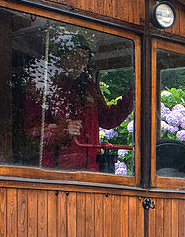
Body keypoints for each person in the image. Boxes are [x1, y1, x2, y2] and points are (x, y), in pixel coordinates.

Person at [20, 34, 134, 171]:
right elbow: (30, 132)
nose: (79, 62)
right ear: (61, 58)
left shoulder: (89, 87)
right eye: (75, 56)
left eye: (84, 58)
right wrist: (62, 131)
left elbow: (107, 119)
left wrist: (132, 97)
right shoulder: (42, 85)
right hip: (55, 171)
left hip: (90, 169)